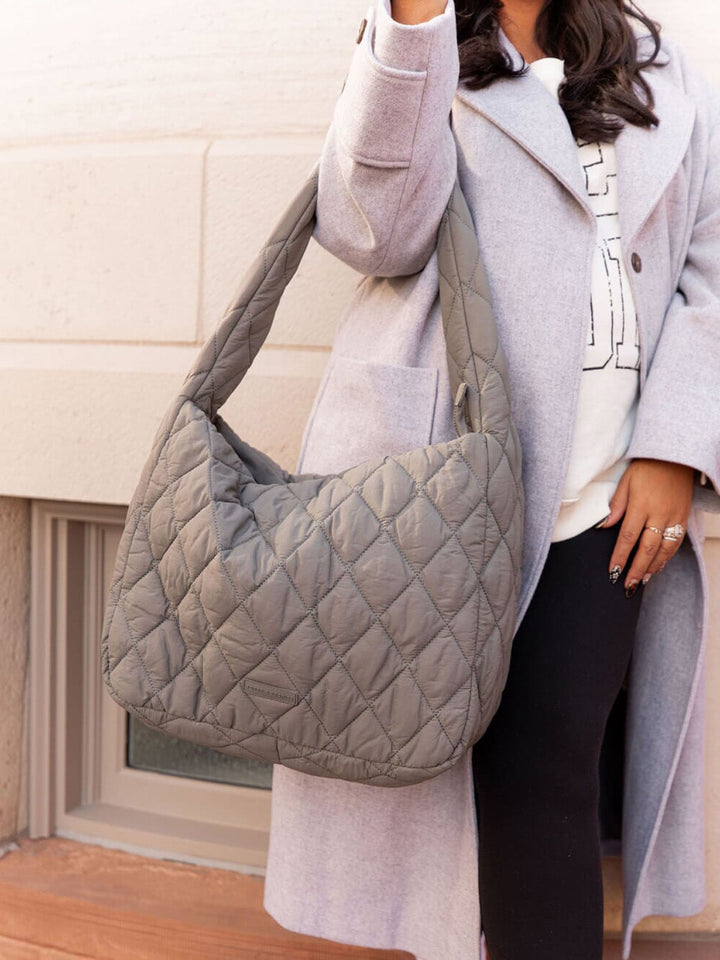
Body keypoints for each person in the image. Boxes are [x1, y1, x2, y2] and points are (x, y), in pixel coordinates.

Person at [263, 2, 720, 958]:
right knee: (434, 778)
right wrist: (413, 27)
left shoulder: (660, 66)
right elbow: (371, 230)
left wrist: (676, 447)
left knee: (548, 775)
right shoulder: (421, 50)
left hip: (606, 500)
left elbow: (709, 271)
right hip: (441, 492)